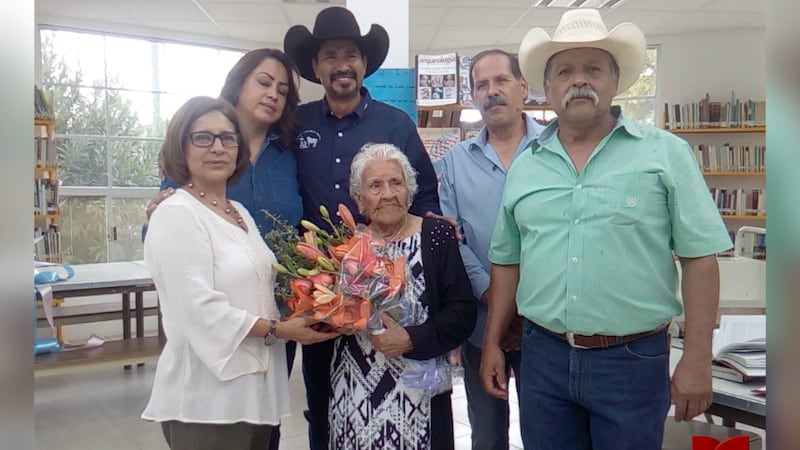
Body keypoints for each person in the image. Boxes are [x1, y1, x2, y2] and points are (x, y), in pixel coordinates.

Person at [481, 8, 733, 450]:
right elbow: (507, 261)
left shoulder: (666, 155)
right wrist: (492, 344)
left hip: (632, 362)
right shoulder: (526, 166)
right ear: (547, 87)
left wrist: (697, 358)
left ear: (616, 81)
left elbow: (700, 258)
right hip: (543, 359)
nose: (579, 80)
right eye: (564, 71)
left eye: (593, 69)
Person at [141, 96, 338, 450]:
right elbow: (198, 310)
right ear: (180, 147)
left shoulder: (239, 212)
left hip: (252, 391)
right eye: (203, 137)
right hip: (207, 398)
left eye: (228, 138)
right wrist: (279, 329)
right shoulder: (176, 213)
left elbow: (258, 288)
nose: (218, 147)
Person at [283, 7, 441, 448]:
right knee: (321, 398)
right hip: (318, 290)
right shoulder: (297, 124)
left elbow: (425, 198)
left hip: (385, 288)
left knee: (388, 392)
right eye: (330, 56)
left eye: (350, 54)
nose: (342, 65)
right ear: (316, 67)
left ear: (364, 63)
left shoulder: (395, 123)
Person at [329, 142, 477, 450]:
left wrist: (411, 338)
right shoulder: (347, 245)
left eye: (396, 183)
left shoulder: (436, 235)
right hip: (356, 391)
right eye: (375, 186)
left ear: (409, 191)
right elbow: (331, 311)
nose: (387, 194)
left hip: (420, 391)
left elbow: (462, 313)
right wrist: (337, 318)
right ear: (359, 198)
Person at [438, 49, 544, 450]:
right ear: (473, 96)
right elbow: (453, 241)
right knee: (486, 437)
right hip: (481, 324)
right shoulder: (454, 163)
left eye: (501, 80)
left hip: (545, 324)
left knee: (546, 434)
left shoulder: (555, 150)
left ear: (523, 87)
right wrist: (495, 296)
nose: (491, 91)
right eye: (481, 85)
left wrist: (521, 304)